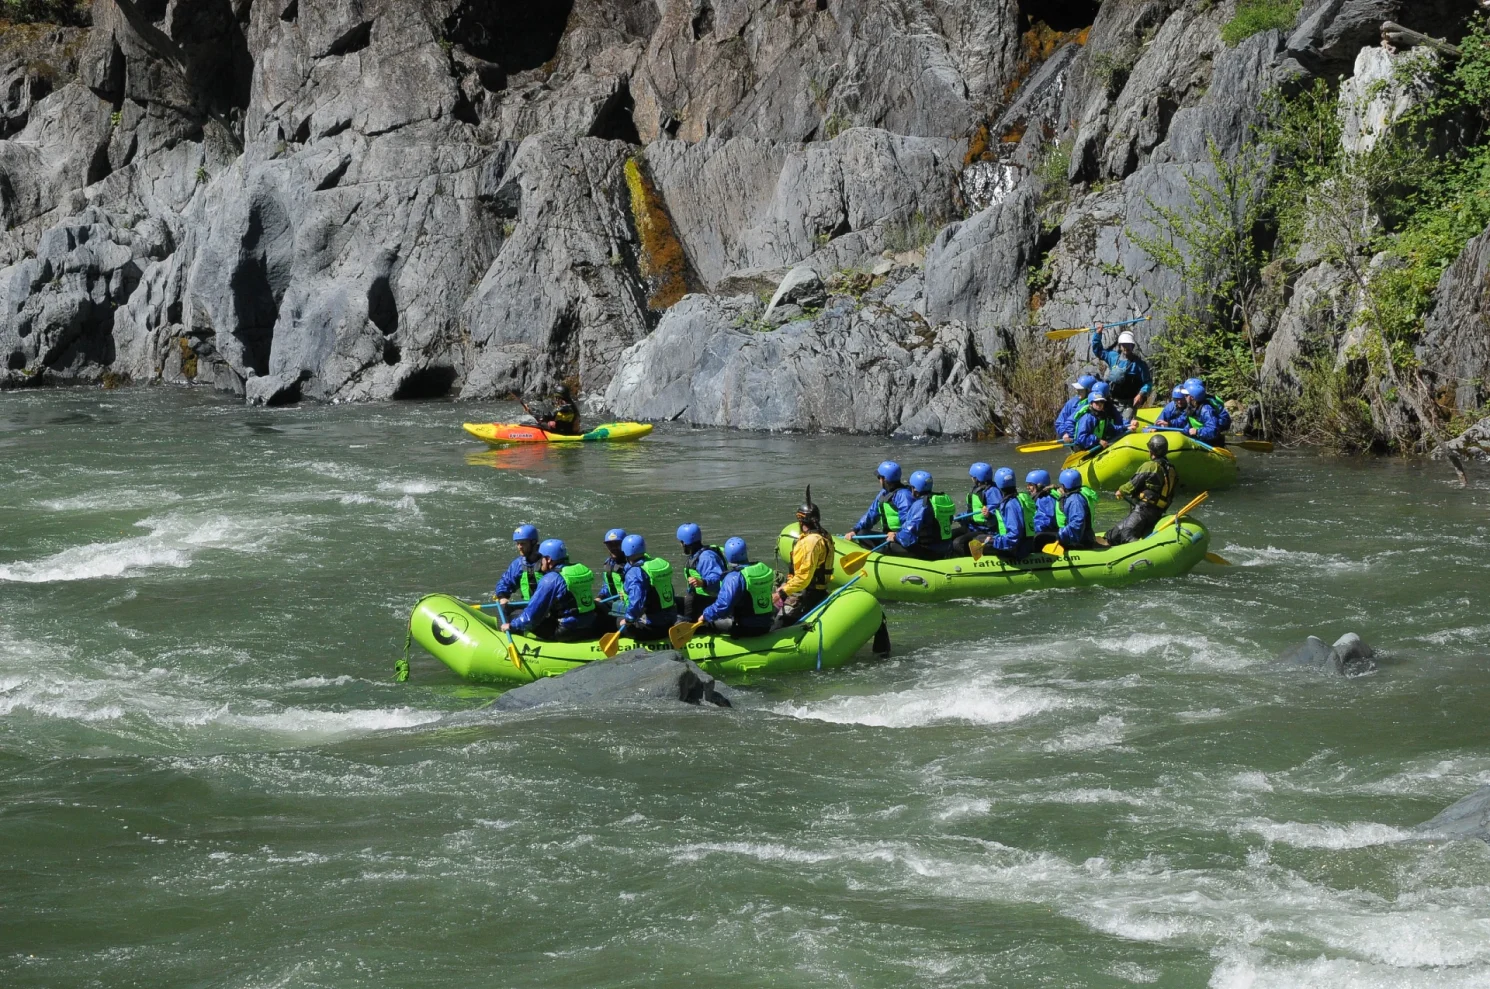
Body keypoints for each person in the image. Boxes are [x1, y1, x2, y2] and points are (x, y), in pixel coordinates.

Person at [501, 539, 599, 641]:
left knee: (516, 613)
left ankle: (519, 642)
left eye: (541, 558)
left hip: (566, 630)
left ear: (548, 559)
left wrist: (512, 625)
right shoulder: (581, 569)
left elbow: (531, 616)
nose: (539, 562)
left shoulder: (551, 579)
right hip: (590, 625)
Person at [774, 486, 833, 629]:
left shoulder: (811, 542)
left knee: (777, 626)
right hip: (813, 589)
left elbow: (803, 578)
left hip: (807, 594)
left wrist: (781, 593)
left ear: (801, 521)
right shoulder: (824, 535)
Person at [1106, 434, 1178, 545]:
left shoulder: (1150, 466)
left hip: (1144, 510)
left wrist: (1121, 490)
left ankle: (1141, 550)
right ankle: (1108, 540)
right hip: (1157, 511)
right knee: (1113, 534)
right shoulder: (1171, 469)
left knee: (1126, 533)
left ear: (1151, 451)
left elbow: (1133, 484)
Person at [698, 537, 776, 638]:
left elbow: (723, 605)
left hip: (745, 628)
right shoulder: (763, 568)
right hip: (767, 624)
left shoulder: (734, 577)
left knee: (707, 624)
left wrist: (705, 615)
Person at [874, 470, 953, 560]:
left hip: (928, 550)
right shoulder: (942, 499)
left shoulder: (920, 505)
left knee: (887, 547)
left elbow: (907, 536)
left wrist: (895, 537)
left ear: (915, 489)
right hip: (946, 547)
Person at [616, 534, 678, 641]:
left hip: (652, 628)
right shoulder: (652, 565)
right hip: (671, 621)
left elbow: (636, 600)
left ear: (625, 551)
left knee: (618, 620)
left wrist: (628, 620)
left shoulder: (634, 572)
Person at [1091, 322, 1153, 418]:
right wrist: (1098, 334)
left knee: (1126, 425)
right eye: (1123, 345)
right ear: (1120, 346)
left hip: (1129, 403)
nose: (1126, 347)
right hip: (1112, 401)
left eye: (1129, 345)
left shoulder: (1139, 365)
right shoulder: (1113, 357)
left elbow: (1148, 383)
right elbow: (1098, 350)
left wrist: (1140, 394)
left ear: (1132, 346)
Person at [845, 461, 916, 544]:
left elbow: (910, 522)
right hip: (889, 537)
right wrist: (855, 530)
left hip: (901, 538)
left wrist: (898, 535)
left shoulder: (904, 496)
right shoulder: (883, 493)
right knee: (862, 533)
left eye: (879, 477)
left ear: (884, 479)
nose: (879, 480)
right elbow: (870, 515)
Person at [676, 523, 726, 621]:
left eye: (681, 542)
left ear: (684, 543)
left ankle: (689, 623)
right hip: (702, 600)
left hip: (711, 603)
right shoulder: (699, 554)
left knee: (690, 599)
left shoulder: (705, 557)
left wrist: (703, 582)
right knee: (672, 602)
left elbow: (716, 578)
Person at [950, 462, 997, 556]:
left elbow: (997, 509)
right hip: (972, 526)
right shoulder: (976, 490)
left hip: (985, 529)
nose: (971, 478)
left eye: (972, 476)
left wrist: (989, 514)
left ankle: (966, 562)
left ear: (977, 478)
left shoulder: (992, 491)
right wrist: (961, 517)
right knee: (949, 535)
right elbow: (972, 512)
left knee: (958, 542)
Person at [493, 524, 542, 605]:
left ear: (533, 542)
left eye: (523, 543)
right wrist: (502, 597)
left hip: (549, 607)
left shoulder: (547, 560)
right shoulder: (519, 563)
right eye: (517, 543)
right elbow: (505, 582)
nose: (519, 547)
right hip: (529, 607)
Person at [1072, 382, 1127, 452]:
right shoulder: (1087, 418)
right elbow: (1082, 437)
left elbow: (1111, 429)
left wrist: (1126, 427)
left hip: (1095, 445)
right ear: (1091, 403)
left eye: (1102, 401)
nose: (1100, 404)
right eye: (1097, 402)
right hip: (1084, 448)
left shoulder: (1103, 416)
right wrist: (1098, 440)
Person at [1055, 469, 1098, 550]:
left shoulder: (1075, 500)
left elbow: (1077, 523)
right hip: (1081, 537)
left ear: (1065, 486)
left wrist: (1060, 535)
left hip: (1080, 541)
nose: (1060, 487)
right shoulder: (1075, 495)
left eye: (1061, 485)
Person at [596, 527, 629, 631]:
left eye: (617, 544)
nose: (613, 547)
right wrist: (600, 597)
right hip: (617, 603)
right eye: (610, 544)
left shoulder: (633, 564)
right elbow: (608, 585)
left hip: (630, 605)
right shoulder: (609, 563)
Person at [1181, 377, 1231, 443]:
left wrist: (1197, 432)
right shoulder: (1192, 406)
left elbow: (1213, 430)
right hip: (1202, 433)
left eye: (1186, 395)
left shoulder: (1206, 410)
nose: (1184, 397)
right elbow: (1192, 423)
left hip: (1213, 439)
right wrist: (1184, 432)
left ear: (1192, 397)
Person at [1054, 374, 1099, 442]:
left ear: (1088, 391)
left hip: (1091, 440)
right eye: (1077, 389)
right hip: (1074, 441)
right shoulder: (1071, 403)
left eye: (1080, 390)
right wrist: (1064, 433)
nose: (1077, 391)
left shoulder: (1097, 404)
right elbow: (1060, 422)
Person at [1025, 469, 1058, 538]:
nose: (1028, 487)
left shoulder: (1044, 499)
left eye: (1030, 485)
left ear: (1039, 485)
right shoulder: (1050, 494)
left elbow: (1044, 522)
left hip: (1047, 535)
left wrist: (1029, 531)